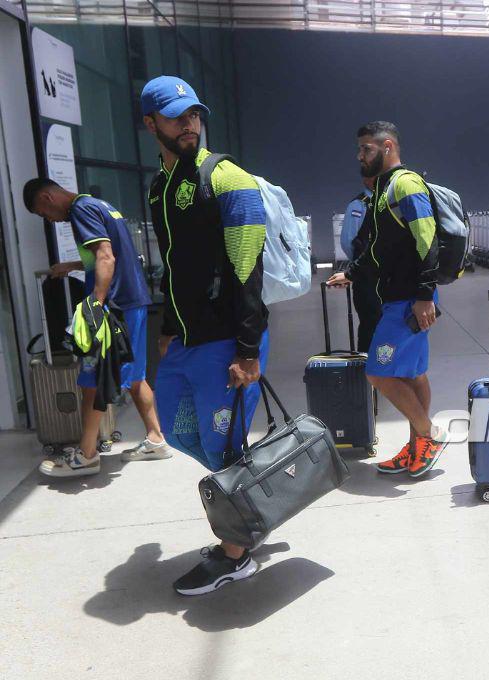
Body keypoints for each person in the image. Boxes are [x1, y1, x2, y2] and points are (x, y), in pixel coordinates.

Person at [142, 75, 270, 595]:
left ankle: (235, 552)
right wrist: (171, 330)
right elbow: (177, 268)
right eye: (176, 117)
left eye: (194, 115)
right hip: (186, 341)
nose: (189, 124)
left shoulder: (229, 179)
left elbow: (248, 268)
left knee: (223, 447)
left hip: (227, 342)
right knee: (175, 430)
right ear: (151, 124)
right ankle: (253, 508)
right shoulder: (161, 187)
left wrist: (247, 349)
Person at [327, 121, 448, 478]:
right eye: (359, 149)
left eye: (366, 149)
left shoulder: (405, 184)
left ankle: (429, 435)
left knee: (378, 372)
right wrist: (351, 273)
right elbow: (379, 249)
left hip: (411, 299)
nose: (360, 156)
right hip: (399, 296)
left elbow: (428, 241)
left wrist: (425, 295)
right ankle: (416, 451)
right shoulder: (382, 191)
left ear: (388, 147)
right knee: (412, 374)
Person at [23, 180, 167, 476]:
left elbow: (105, 256)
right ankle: (156, 439)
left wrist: (95, 306)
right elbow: (108, 254)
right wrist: (75, 265)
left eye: (43, 213)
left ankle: (86, 455)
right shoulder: (99, 204)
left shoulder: (80, 210)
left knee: (93, 380)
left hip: (113, 308)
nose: (49, 220)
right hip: (132, 303)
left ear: (48, 197)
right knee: (136, 375)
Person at [339, 177, 382, 351]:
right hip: (366, 280)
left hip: (385, 280)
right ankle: (367, 369)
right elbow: (348, 243)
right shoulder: (359, 205)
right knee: (370, 325)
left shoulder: (386, 202)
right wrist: (362, 266)